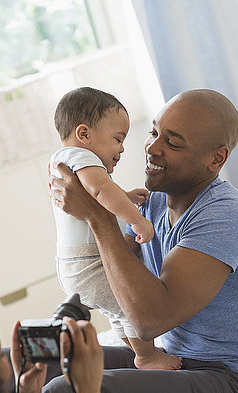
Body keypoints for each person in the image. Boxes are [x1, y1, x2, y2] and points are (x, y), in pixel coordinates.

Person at [45, 88, 238, 393]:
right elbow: (123, 278)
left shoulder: (227, 215)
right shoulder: (151, 205)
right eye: (154, 132)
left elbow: (149, 319)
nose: (152, 148)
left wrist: (96, 216)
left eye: (173, 142)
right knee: (40, 358)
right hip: (177, 356)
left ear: (216, 160)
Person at [51, 86, 181, 371]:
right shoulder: (81, 156)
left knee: (115, 310)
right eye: (117, 139)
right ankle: (147, 356)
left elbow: (101, 189)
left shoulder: (69, 160)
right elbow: (99, 191)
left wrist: (125, 196)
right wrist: (137, 219)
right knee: (127, 305)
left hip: (75, 265)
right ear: (83, 134)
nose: (122, 148)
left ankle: (136, 352)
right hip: (88, 262)